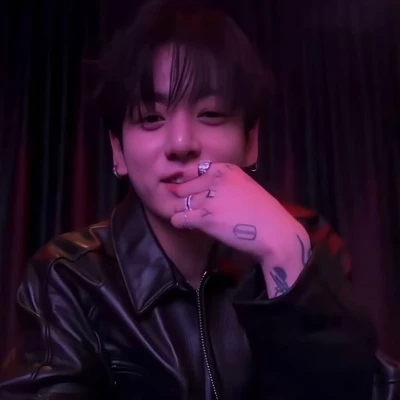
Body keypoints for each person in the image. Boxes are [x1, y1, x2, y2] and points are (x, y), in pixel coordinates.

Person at [0, 1, 377, 399]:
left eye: (211, 114)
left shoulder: (309, 242)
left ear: (250, 141)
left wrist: (285, 254)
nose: (181, 144)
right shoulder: (68, 278)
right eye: (151, 118)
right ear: (118, 151)